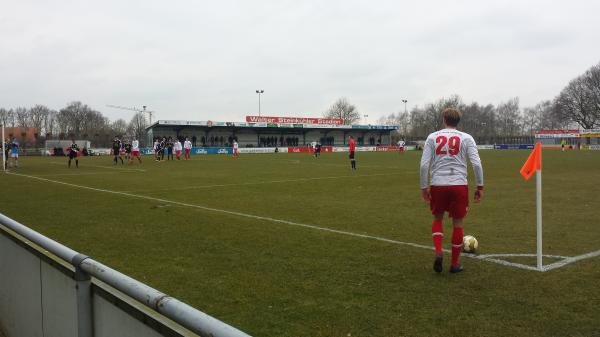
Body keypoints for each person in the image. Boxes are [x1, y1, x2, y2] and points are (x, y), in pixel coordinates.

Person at [419, 108, 484, 274]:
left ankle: (439, 251)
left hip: (438, 183)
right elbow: (476, 164)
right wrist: (480, 186)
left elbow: (424, 164)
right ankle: (454, 264)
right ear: (458, 122)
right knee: (458, 223)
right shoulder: (466, 138)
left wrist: (423, 187)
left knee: (437, 218)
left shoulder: (432, 137)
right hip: (458, 184)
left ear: (443, 120)